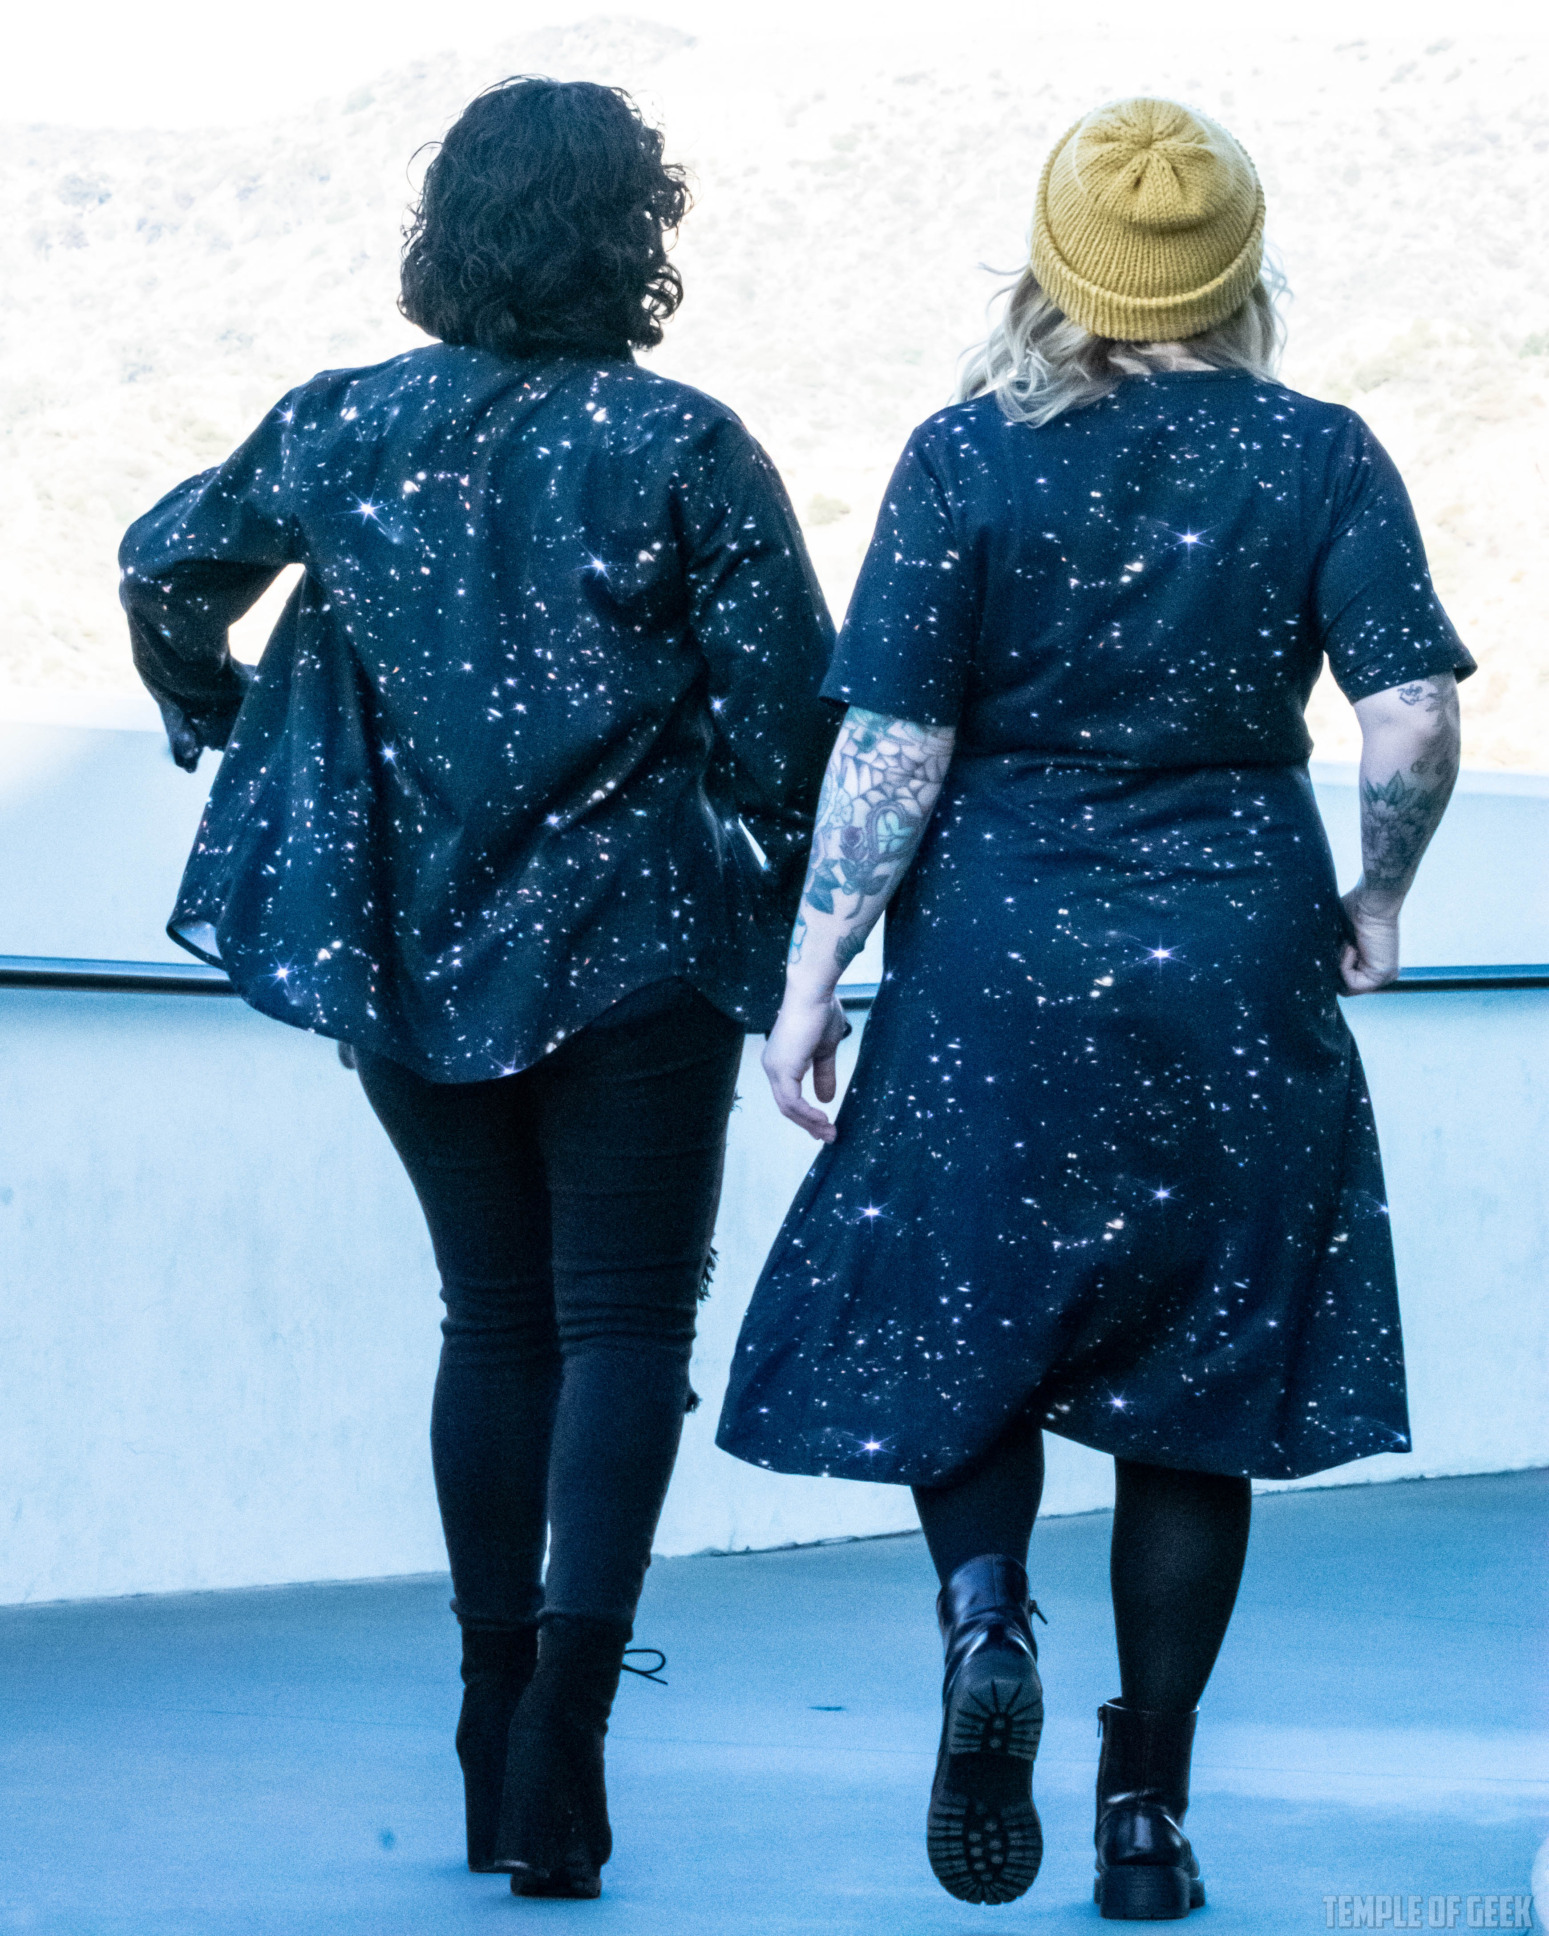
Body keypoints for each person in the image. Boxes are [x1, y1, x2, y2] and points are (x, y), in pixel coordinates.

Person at [718, 97, 1471, 1919]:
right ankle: (1144, 1816)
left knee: (954, 1310)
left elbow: (893, 742)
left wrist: (811, 973)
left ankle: (986, 1623)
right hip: (1232, 960)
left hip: (992, 962)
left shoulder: (966, 456)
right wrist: (1376, 895)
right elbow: (1412, 717)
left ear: (1054, 270)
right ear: (1240, 267)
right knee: (1195, 1387)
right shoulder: (1322, 455)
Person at [120, 77, 835, 1900]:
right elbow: (784, 738)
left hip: (402, 938)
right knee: (619, 1328)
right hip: (636, 950)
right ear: (635, 237)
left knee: (491, 1319)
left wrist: (209, 705)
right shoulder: (683, 445)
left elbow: (162, 565)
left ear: (449, 227)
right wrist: (813, 907)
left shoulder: (341, 424)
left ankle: (483, 1702)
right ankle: (565, 1748)